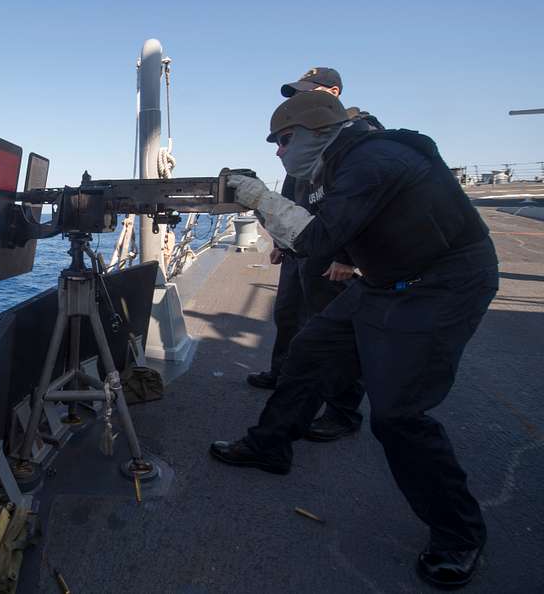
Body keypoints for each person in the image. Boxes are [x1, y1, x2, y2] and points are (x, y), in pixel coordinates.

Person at [212, 91, 498, 588]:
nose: (279, 152)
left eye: (283, 140)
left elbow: (320, 239)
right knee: (310, 351)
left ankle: (458, 534)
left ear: (316, 133)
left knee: (400, 415)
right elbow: (326, 236)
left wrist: (258, 197)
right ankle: (270, 445)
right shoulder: (331, 168)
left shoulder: (374, 159)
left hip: (445, 283)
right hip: (386, 278)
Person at [246, 67, 364, 442]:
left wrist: (348, 256)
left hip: (333, 253)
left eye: (306, 91)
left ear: (332, 91)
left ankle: (342, 412)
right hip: (302, 248)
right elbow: (299, 197)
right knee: (288, 316)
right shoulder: (304, 138)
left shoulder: (353, 137)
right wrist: (281, 241)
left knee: (334, 334)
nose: (295, 100)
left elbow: (358, 205)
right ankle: (282, 375)